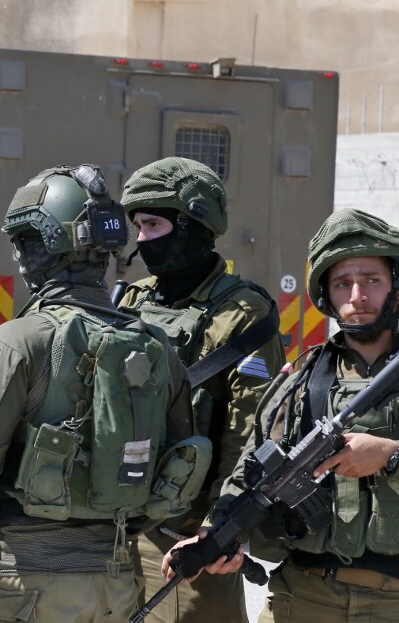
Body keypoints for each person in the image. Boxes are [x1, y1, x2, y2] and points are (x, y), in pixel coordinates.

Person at [0, 165, 196, 621]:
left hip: (27, 581)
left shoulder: (22, 338)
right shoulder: (155, 344)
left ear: (41, 246)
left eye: (24, 243)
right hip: (117, 584)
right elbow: (174, 460)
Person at [165, 208, 399, 622]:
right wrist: (215, 535)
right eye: (343, 284)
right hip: (304, 599)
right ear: (327, 294)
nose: (357, 297)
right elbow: (251, 470)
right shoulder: (302, 378)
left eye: (371, 281)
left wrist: (390, 456)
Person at [117, 157, 285, 622]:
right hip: (115, 528)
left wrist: (219, 531)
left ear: (192, 225)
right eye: (138, 226)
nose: (141, 239)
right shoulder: (132, 301)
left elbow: (248, 434)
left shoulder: (242, 312)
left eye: (153, 224)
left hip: (186, 540)